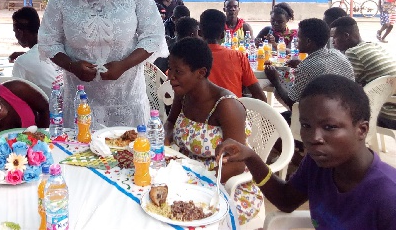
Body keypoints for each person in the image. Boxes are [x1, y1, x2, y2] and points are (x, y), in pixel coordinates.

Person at [216, 75, 396, 229]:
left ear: (362, 130)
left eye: (330, 127)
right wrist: (251, 157)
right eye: (306, 125)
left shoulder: (387, 195)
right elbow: (286, 200)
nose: (314, 138)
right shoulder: (318, 164)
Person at [38, 0, 166, 128]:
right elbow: (49, 42)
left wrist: (123, 65)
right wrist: (72, 66)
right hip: (80, 101)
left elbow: (153, 36)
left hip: (127, 100)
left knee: (129, 153)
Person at [163, 37, 263, 224]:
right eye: (170, 69)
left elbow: (236, 165)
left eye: (178, 72)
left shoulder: (226, 107)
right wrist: (165, 140)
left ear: (200, 73)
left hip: (223, 184)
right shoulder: (183, 94)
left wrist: (193, 181)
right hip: (185, 173)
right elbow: (170, 122)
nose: (171, 77)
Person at [264, 18, 354, 121]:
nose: (296, 40)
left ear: (308, 42)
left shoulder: (307, 66)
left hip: (321, 119)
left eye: (299, 37)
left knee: (273, 119)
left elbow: (292, 103)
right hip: (345, 112)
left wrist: (275, 80)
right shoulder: (338, 54)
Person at [200, 9, 267, 101]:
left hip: (201, 114)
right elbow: (261, 98)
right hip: (232, 112)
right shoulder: (238, 56)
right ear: (223, 35)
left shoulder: (190, 58)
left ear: (199, 33)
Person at [330, 16, 396, 87]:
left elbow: (343, 83)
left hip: (386, 96)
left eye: (334, 37)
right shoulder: (373, 45)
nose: (333, 42)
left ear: (346, 36)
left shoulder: (353, 52)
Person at [8, 7, 59, 96]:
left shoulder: (21, 62)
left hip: (51, 108)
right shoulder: (53, 47)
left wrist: (23, 57)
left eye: (15, 31)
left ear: (20, 32)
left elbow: (14, 95)